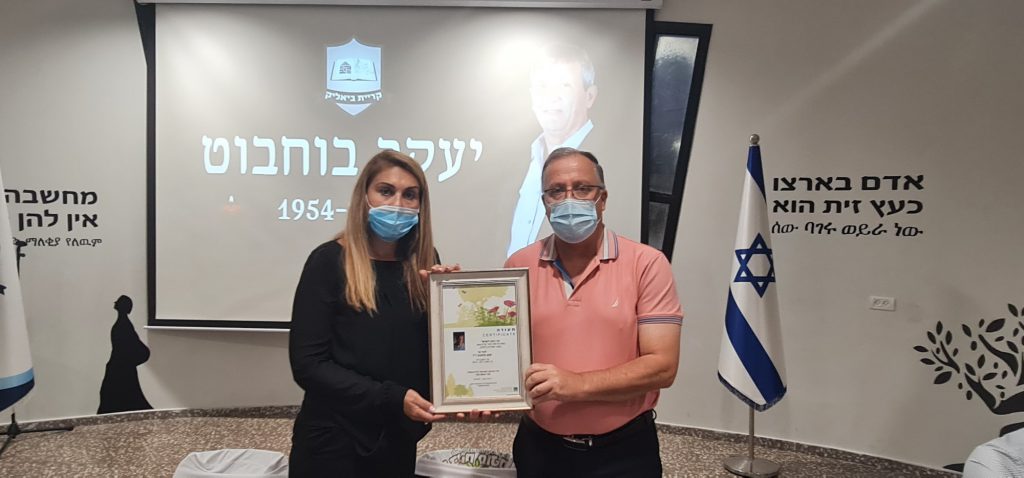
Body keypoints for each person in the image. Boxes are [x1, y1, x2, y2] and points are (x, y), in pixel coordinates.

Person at [504, 147, 683, 477]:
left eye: (582, 188)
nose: (569, 199)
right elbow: (499, 350)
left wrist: (575, 384)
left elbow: (663, 367)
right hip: (538, 449)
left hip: (624, 454)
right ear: (545, 202)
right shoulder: (519, 266)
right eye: (556, 191)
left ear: (603, 199)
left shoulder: (647, 264)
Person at [289, 150, 453, 477]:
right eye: (385, 191)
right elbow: (308, 365)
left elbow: (422, 351)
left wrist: (451, 301)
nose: (397, 204)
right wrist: (391, 397)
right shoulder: (328, 261)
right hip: (332, 442)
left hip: (396, 437)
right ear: (364, 197)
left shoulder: (423, 263)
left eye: (410, 195)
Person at [507, 43, 599, 257]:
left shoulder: (613, 160)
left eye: (565, 85)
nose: (551, 96)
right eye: (542, 86)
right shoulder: (517, 162)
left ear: (589, 96)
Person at [97, 295, 153, 414]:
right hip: (121, 369)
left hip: (119, 368)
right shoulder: (124, 325)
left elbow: (133, 346)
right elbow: (133, 346)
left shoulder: (122, 325)